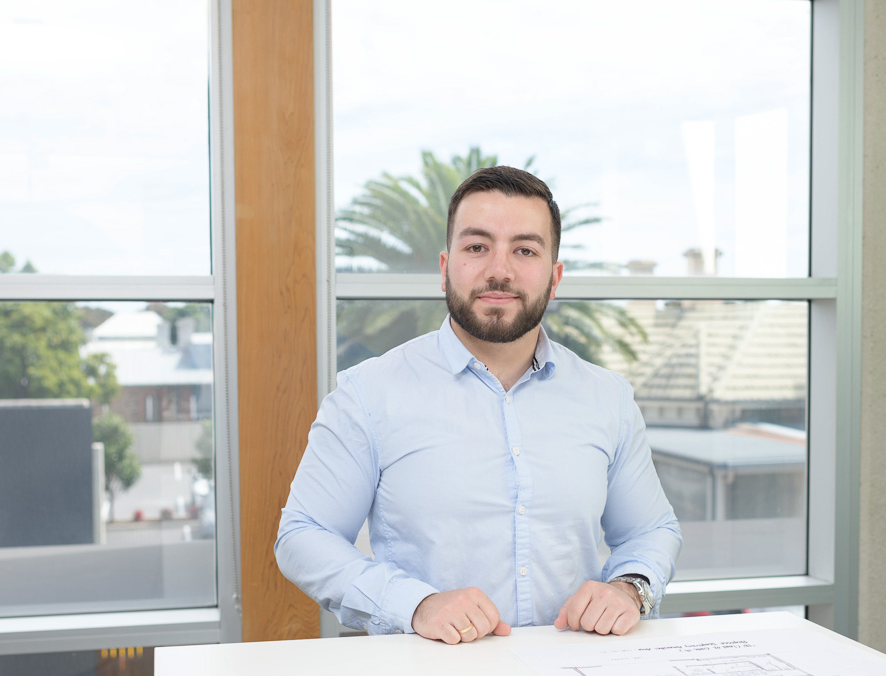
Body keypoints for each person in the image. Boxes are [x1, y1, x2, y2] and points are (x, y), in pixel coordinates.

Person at [276, 166, 681, 644]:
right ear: (445, 267)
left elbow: (650, 530)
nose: (500, 271)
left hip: (577, 674)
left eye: (525, 250)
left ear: (554, 278)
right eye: (476, 247)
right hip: (429, 675)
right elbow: (303, 535)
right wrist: (415, 604)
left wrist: (630, 589)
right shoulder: (367, 395)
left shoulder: (608, 398)